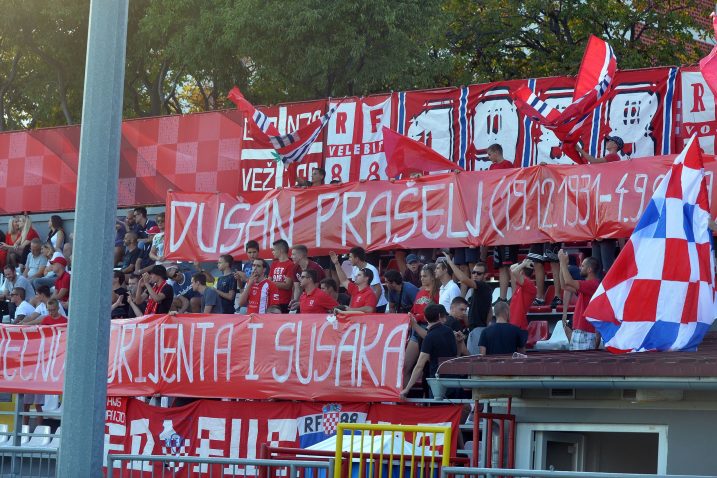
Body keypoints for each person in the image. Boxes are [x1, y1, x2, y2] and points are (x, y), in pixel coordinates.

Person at [576, 136, 623, 276]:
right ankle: (597, 293)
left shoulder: (614, 157)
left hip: (607, 211)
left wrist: (580, 150)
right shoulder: (609, 160)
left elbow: (593, 161)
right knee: (596, 266)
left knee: (605, 266)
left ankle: (607, 293)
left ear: (616, 145)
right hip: (602, 211)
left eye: (610, 140)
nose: (607, 142)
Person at [401, 303, 458, 398]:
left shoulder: (429, 338)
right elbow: (456, 354)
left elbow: (419, 365)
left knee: (437, 410)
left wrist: (407, 389)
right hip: (453, 379)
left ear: (426, 319)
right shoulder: (449, 331)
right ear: (439, 316)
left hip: (438, 381)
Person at [558, 250, 602, 350]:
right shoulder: (587, 285)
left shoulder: (593, 284)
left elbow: (568, 281)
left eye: (582, 266)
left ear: (589, 269)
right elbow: (564, 285)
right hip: (580, 331)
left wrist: (563, 263)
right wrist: (562, 264)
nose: (579, 268)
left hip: (585, 332)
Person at [348, 246, 387, 312]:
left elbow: (378, 290)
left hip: (378, 305)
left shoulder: (371, 269)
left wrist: (372, 307)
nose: (349, 259)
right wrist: (351, 306)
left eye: (350, 257)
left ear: (357, 258)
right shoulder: (355, 269)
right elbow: (355, 290)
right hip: (365, 305)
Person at [508, 258, 537, 330]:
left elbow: (514, 271)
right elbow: (511, 268)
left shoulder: (529, 284)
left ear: (521, 271)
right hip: (514, 323)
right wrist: (523, 263)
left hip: (519, 324)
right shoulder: (522, 284)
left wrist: (523, 264)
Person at [269, 239, 295, 313]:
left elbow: (287, 285)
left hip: (284, 301)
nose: (272, 252)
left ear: (280, 250)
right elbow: (269, 280)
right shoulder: (274, 263)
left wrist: (272, 283)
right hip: (272, 300)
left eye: (273, 250)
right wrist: (274, 283)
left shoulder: (290, 264)